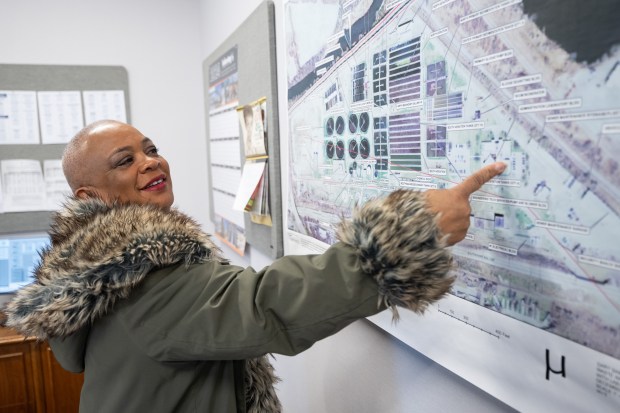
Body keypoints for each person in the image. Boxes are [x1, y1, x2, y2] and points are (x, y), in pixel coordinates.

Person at [2, 120, 506, 412]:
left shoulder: (94, 270)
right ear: (91, 196)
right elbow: (263, 304)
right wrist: (408, 236)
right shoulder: (140, 277)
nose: (151, 162)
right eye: (124, 160)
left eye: (150, 149)